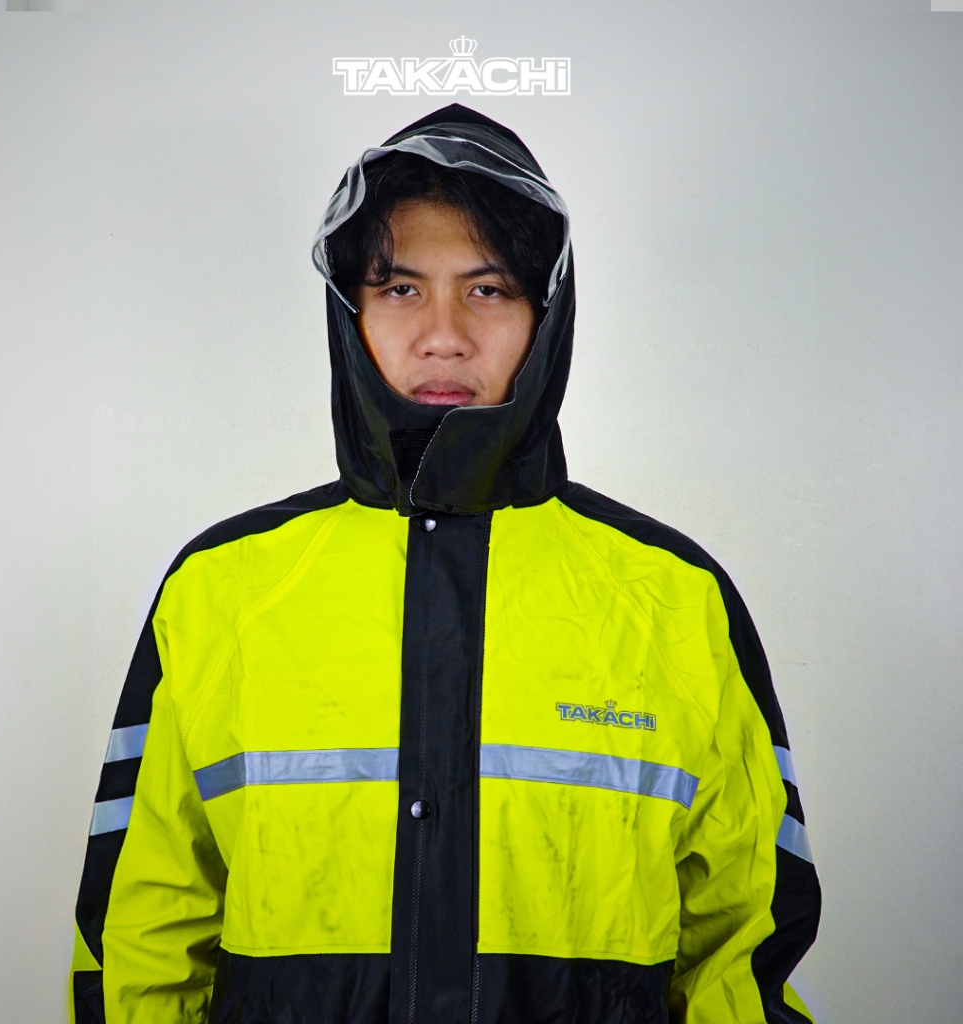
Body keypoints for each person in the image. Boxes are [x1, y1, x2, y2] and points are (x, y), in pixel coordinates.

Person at [68, 104, 821, 1024]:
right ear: (349, 313)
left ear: (547, 316)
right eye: (400, 288)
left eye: (488, 288)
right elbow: (140, 934)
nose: (444, 335)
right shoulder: (221, 589)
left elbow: (742, 948)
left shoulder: (673, 597)